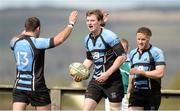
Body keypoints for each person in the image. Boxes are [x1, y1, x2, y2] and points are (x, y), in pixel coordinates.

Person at [10, 11, 78, 110]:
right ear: (38, 28)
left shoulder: (14, 42)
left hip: (19, 86)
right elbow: (60, 39)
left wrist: (24, 31)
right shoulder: (37, 42)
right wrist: (71, 23)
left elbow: (19, 36)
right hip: (36, 87)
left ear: (25, 28)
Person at [73, 9, 126, 111]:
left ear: (100, 22)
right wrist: (80, 72)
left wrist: (107, 74)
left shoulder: (110, 36)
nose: (89, 23)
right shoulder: (87, 39)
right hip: (96, 81)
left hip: (113, 82)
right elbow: (89, 59)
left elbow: (122, 56)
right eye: (87, 20)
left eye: (92, 20)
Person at [128, 27, 166, 110]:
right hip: (136, 93)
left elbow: (160, 73)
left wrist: (142, 72)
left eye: (143, 39)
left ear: (149, 39)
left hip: (152, 94)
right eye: (138, 39)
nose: (140, 42)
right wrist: (128, 90)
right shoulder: (132, 53)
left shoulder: (157, 52)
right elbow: (132, 73)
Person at [119, 38, 131, 111]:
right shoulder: (111, 61)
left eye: (123, 48)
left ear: (127, 49)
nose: (121, 51)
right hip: (112, 94)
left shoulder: (131, 63)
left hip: (126, 96)